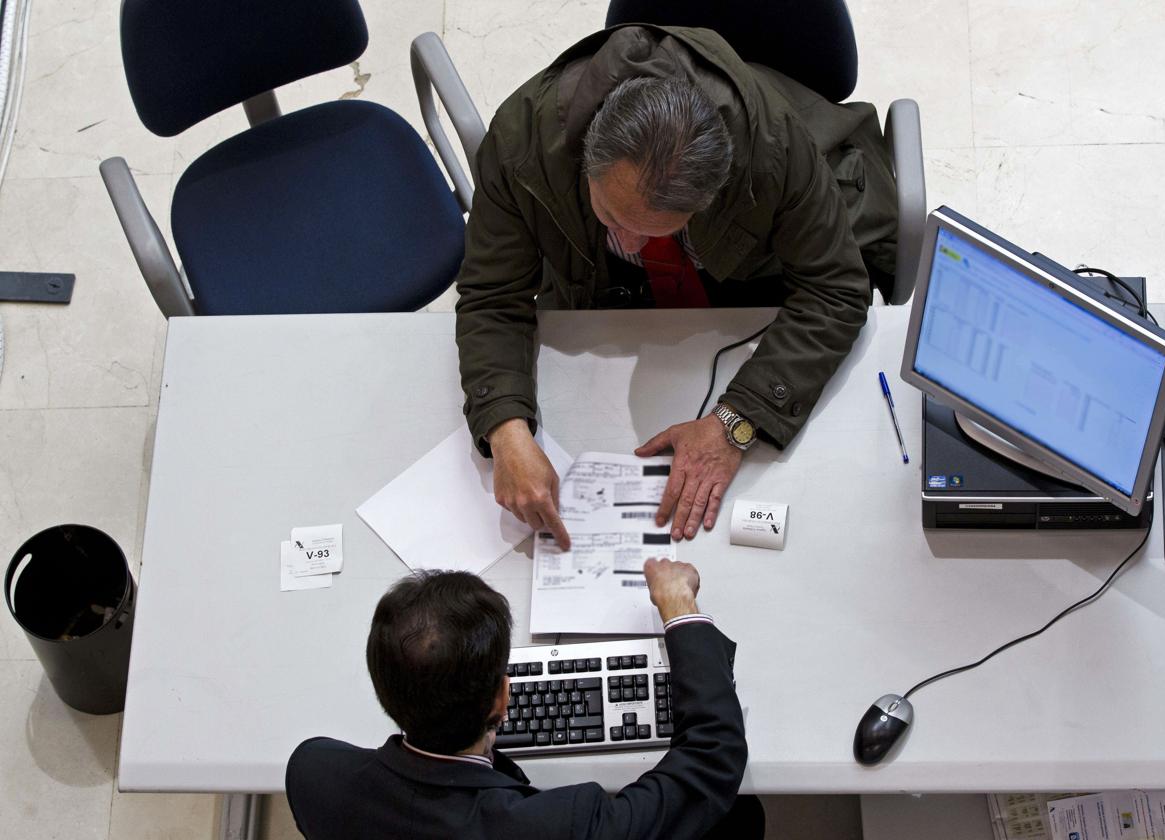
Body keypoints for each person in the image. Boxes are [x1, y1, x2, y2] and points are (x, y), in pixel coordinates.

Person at [457, 24, 898, 550]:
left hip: (736, 299)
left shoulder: (773, 148)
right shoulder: (521, 143)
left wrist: (737, 419)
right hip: (599, 311)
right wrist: (506, 429)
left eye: (653, 230)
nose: (628, 242)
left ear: (710, 198)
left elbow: (835, 288)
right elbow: (492, 295)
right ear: (586, 160)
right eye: (611, 214)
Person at [285, 558, 762, 839]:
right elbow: (711, 761)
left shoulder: (314, 775)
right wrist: (680, 607)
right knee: (742, 816)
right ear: (502, 696)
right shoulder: (560, 826)